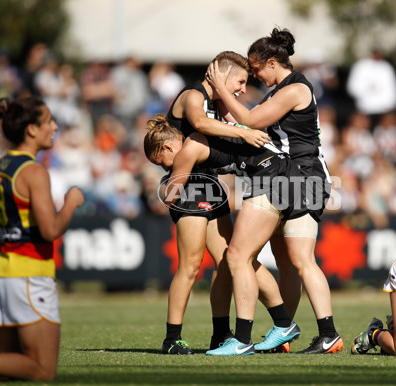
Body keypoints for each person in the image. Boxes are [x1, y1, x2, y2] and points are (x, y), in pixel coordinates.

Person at [206, 28, 342, 354]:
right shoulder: (277, 92)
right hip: (293, 179)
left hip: (304, 177)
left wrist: (223, 89)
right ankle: (288, 332)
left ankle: (325, 333)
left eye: (255, 68)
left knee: (299, 261)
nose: (253, 75)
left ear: (270, 62)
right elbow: (245, 125)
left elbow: (251, 121)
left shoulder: (294, 88)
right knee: (291, 260)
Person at [144, 114, 311, 356]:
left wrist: (164, 183)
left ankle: (233, 333)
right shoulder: (196, 134)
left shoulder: (188, 146)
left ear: (168, 146)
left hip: (244, 181)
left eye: (162, 161)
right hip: (251, 178)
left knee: (229, 260)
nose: (166, 167)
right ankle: (180, 337)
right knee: (225, 261)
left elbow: (169, 196)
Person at [157, 51, 289, 355]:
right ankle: (172, 338)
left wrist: (252, 131)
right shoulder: (193, 95)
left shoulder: (220, 102)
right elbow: (201, 124)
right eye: (240, 82)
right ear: (219, 76)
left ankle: (228, 333)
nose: (243, 89)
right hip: (189, 186)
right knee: (190, 266)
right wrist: (244, 133)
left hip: (212, 185)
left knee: (232, 260)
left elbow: (244, 123)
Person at [0, 97, 84, 382]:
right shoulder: (34, 172)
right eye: (49, 120)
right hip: (31, 276)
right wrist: (71, 203)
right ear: (32, 129)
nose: (55, 126)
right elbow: (50, 231)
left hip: (4, 275)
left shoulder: (1, 166)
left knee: (9, 370)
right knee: (42, 370)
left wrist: (4, 252)